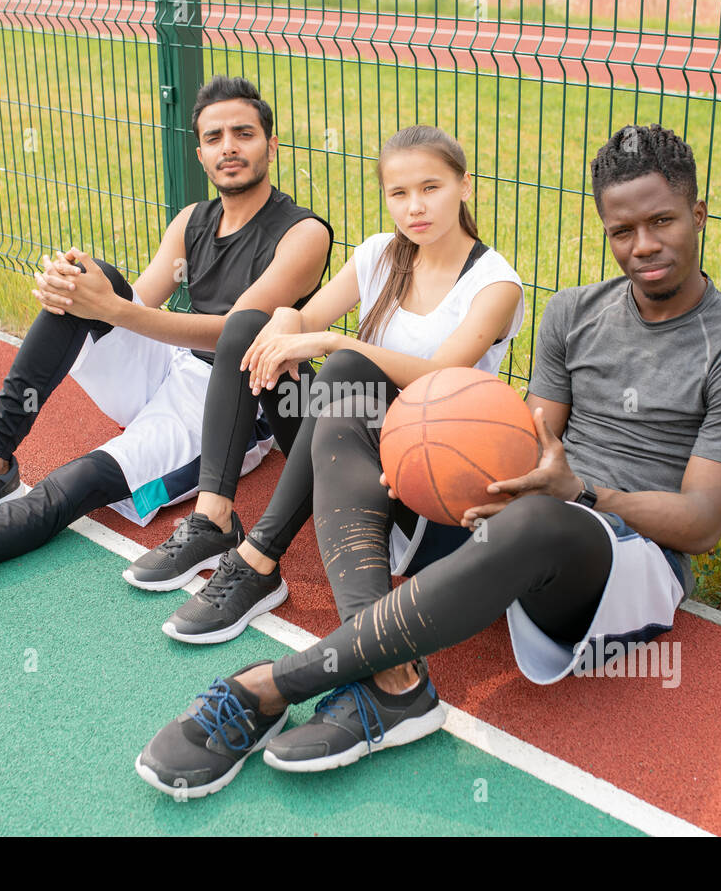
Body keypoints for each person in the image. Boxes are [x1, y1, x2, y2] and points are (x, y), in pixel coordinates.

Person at [135, 123, 721, 798]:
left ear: (699, 215)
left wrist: (582, 492)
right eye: (623, 231)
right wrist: (474, 464)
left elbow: (703, 524)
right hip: (520, 508)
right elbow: (527, 439)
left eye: (663, 222)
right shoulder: (573, 313)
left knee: (539, 521)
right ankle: (392, 687)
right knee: (348, 390)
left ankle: (269, 685)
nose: (644, 246)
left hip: (618, 552)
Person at [0, 76, 333, 658]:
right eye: (215, 137)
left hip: (229, 406)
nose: (229, 146)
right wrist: (80, 291)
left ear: (271, 144)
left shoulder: (302, 232)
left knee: (74, 485)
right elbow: (142, 306)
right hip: (170, 363)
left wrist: (113, 309)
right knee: (86, 277)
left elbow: (241, 333)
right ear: (200, 151)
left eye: (243, 133)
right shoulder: (191, 221)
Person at [122, 124, 525, 647]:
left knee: (346, 368)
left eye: (432, 188)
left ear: (465, 186)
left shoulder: (496, 285)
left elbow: (438, 377)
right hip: (345, 452)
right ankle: (214, 517)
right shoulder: (380, 254)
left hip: (427, 483)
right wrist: (288, 320)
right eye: (399, 194)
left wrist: (335, 344)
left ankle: (259, 558)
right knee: (249, 326)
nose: (415, 208)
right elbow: (302, 325)